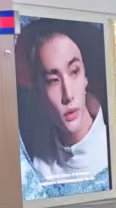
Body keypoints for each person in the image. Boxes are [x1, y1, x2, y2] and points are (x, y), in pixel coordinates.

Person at [17, 18, 111, 198]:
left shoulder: (107, 153)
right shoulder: (34, 150)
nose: (68, 95)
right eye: (53, 80)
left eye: (74, 71)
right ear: (39, 90)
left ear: (85, 77)